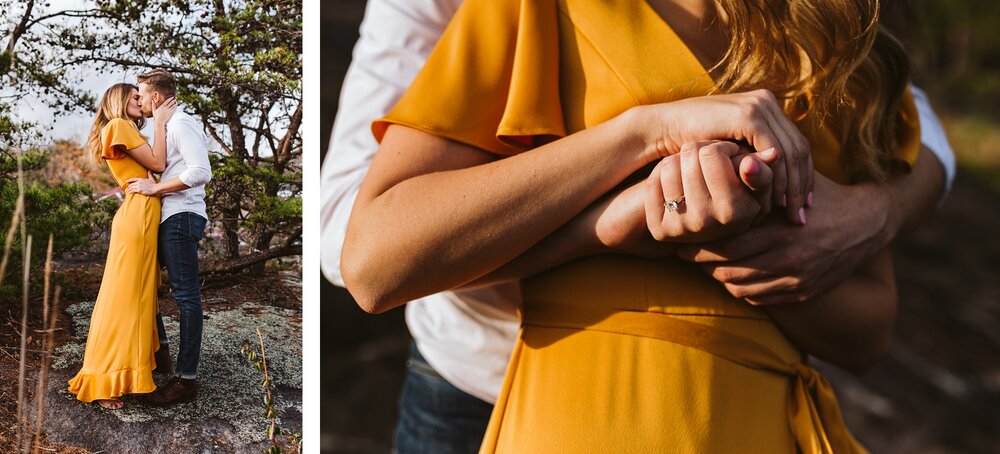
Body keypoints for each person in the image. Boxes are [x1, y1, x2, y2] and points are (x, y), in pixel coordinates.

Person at [323, 0, 954, 452]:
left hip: (757, 424)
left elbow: (871, 330)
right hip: (532, 395)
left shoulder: (837, 40)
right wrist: (640, 145)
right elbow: (368, 259)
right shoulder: (526, 11)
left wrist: (749, 241)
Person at [67, 83, 176, 409]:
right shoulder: (118, 126)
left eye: (141, 96)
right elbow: (157, 164)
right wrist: (159, 121)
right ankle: (103, 379)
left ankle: (132, 373)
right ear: (118, 100)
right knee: (123, 300)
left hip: (144, 216)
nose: (140, 101)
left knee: (140, 300)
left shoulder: (126, 129)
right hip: (137, 217)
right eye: (134, 97)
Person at [124, 68, 213, 406]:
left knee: (187, 298)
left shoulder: (181, 124)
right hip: (169, 218)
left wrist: (155, 187)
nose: (140, 100)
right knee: (146, 284)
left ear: (156, 98)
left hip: (181, 217)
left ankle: (185, 382)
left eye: (142, 95)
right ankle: (160, 356)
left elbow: (201, 171)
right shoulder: (168, 127)